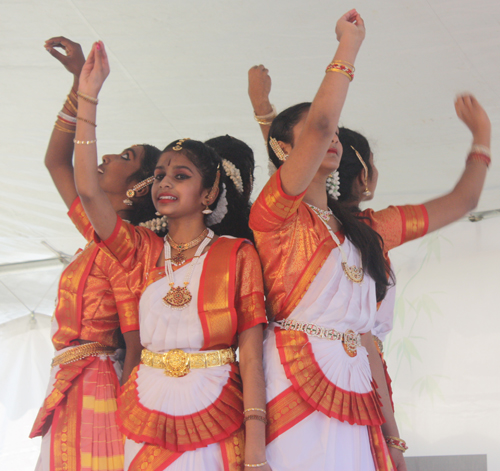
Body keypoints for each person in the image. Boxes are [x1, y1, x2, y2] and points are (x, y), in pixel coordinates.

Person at [249, 9, 491, 471]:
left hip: (358, 380)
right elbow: (318, 127)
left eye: (338, 133)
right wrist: (348, 45)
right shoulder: (274, 216)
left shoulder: (369, 231)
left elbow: (462, 202)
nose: (332, 136)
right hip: (291, 378)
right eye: (323, 130)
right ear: (285, 150)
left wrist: (482, 138)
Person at [72, 40, 270, 471]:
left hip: (220, 405)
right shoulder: (140, 250)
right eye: (160, 174)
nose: (165, 182)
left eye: (181, 176)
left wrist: (256, 446)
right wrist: (88, 96)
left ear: (209, 191)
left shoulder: (237, 254)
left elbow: (252, 356)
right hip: (146, 407)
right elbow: (87, 190)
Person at [30, 36, 161, 471]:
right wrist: (75, 85)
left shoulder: (129, 246)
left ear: (142, 185)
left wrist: (91, 97)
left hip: (104, 386)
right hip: (68, 382)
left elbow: (135, 343)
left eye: (125, 157)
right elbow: (55, 162)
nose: (106, 156)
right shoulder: (95, 234)